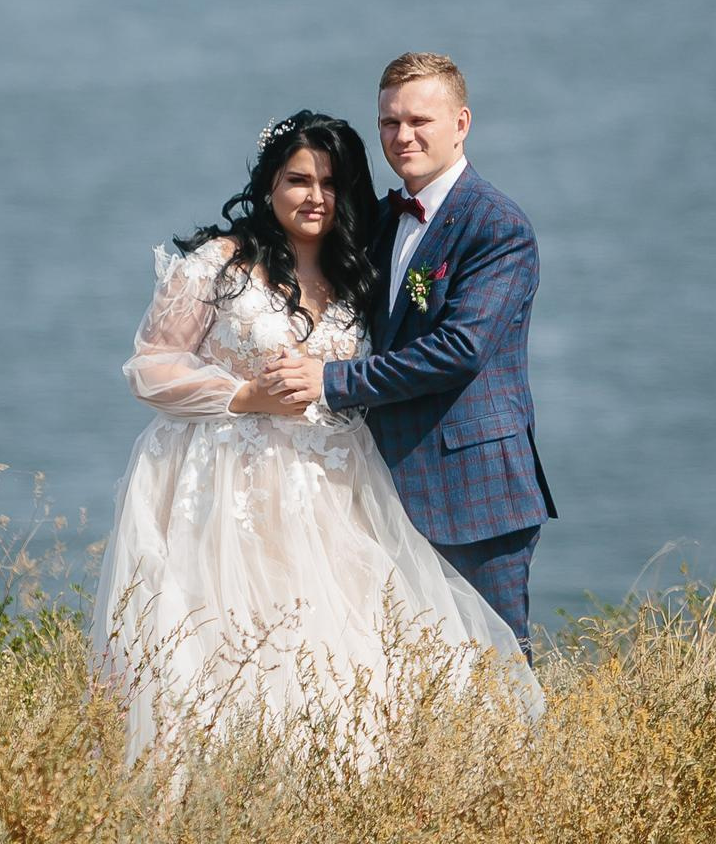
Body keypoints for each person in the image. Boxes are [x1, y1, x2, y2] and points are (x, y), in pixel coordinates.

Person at [92, 108, 537, 765]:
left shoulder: (360, 273)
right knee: (230, 657)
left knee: (345, 657)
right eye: (298, 179)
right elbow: (149, 367)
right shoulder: (217, 263)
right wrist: (244, 395)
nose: (315, 196)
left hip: (335, 491)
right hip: (231, 496)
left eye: (331, 182)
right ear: (269, 184)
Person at [254, 53, 556, 647]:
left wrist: (329, 380)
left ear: (461, 123)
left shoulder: (497, 226)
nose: (403, 135)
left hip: (473, 495)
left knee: (495, 671)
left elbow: (458, 350)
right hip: (379, 492)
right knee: (403, 672)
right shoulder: (383, 222)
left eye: (421, 120)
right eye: (390, 122)